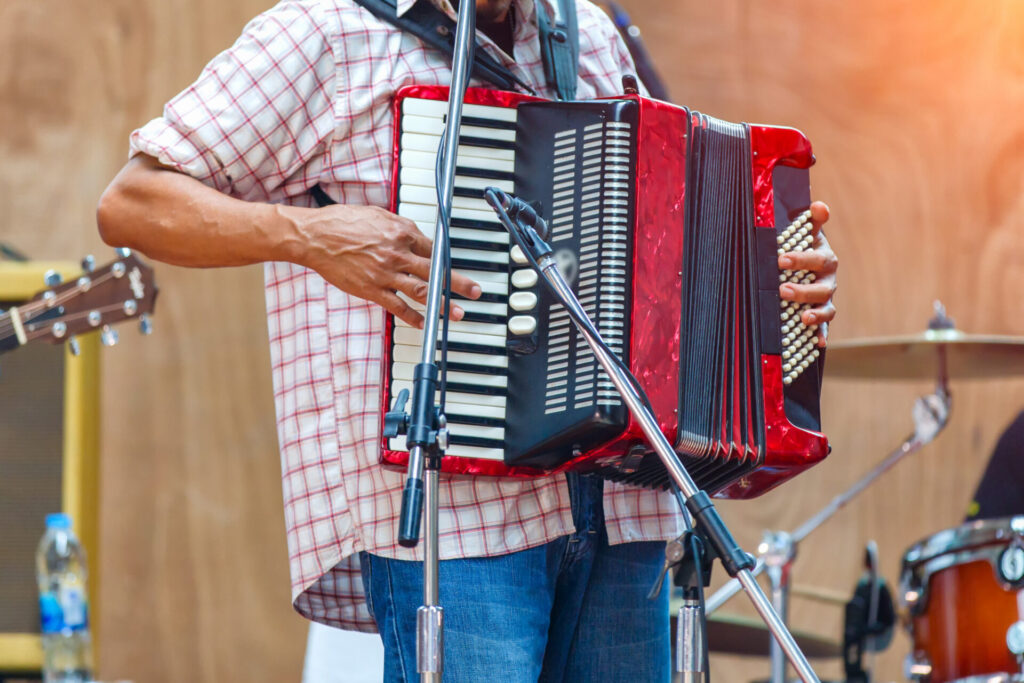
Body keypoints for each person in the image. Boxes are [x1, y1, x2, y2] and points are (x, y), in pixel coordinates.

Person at [96, 0, 839, 680]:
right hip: (458, 519)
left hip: (619, 508)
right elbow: (135, 200)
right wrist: (312, 235)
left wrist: (757, 280)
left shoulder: (587, 36)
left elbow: (657, 236)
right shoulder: (323, 34)